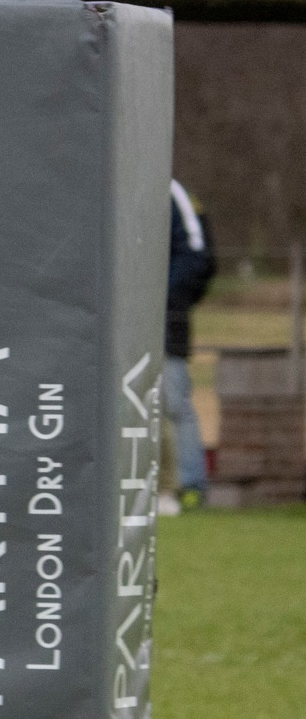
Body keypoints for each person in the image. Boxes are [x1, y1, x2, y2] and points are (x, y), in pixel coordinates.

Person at [165, 179, 217, 508]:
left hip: (165, 319)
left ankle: (190, 485)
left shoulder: (171, 191)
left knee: (172, 401)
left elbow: (198, 255)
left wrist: (160, 297)